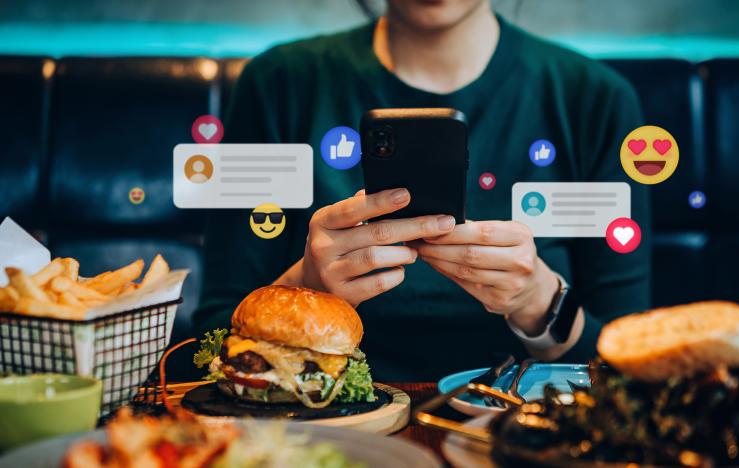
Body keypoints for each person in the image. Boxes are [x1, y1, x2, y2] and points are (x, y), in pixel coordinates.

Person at [196, 0, 651, 381]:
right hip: (324, 431)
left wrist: (539, 302)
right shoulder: (274, 85)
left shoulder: (594, 100)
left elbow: (627, 359)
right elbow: (210, 338)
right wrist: (304, 287)